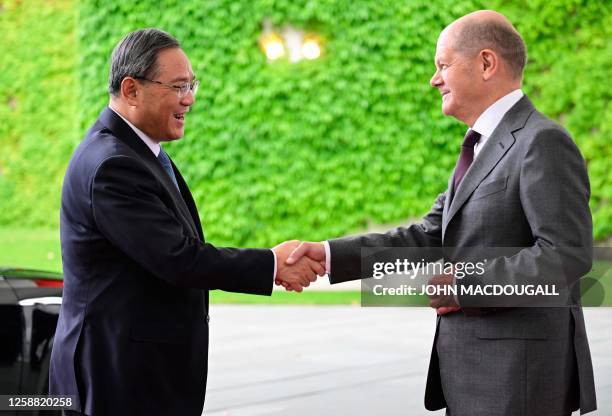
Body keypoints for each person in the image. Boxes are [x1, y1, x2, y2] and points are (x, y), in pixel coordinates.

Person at [285, 10, 597, 416]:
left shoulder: (542, 141)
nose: (434, 80)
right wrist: (327, 255)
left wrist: (466, 285)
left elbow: (566, 255)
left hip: (517, 381)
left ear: (486, 63)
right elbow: (428, 237)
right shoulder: (482, 144)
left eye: (443, 65)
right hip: (473, 377)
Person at [50, 28, 323, 416]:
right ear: (131, 90)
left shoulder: (135, 151)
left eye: (191, 84)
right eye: (179, 86)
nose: (190, 99)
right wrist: (273, 264)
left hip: (138, 374)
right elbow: (177, 258)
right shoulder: (114, 164)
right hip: (117, 380)